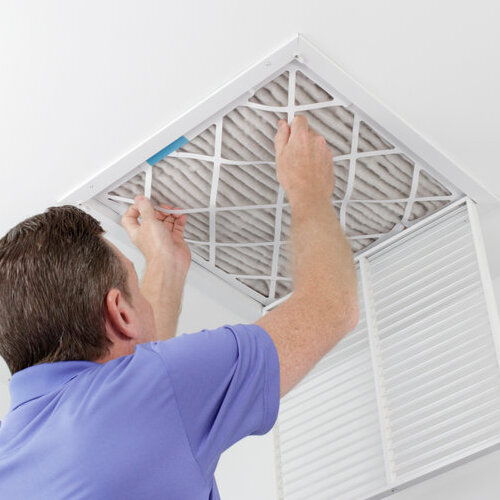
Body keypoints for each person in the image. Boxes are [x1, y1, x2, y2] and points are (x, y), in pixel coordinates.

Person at [0, 116, 358, 499]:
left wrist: (163, 265)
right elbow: (332, 304)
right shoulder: (149, 395)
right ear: (120, 314)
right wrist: (308, 187)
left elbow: (137, 391)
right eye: (133, 286)